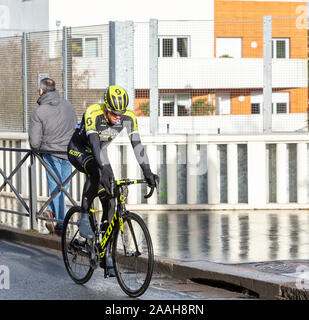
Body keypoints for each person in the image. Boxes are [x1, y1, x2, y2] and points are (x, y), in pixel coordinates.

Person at [67, 85, 158, 275]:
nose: (118, 116)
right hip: (80, 149)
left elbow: (137, 145)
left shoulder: (128, 117)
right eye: (113, 113)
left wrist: (147, 171)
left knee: (111, 198)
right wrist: (102, 170)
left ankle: (105, 251)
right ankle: (84, 213)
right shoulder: (94, 113)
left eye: (120, 113)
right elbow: (93, 143)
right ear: (105, 106)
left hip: (100, 151)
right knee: (96, 170)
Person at [29, 78, 77, 235]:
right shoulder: (68, 105)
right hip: (68, 153)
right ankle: (53, 214)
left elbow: (34, 142)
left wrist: (39, 148)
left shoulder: (39, 111)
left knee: (57, 187)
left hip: (50, 154)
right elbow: (75, 127)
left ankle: (61, 225)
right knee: (63, 187)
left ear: (41, 91)